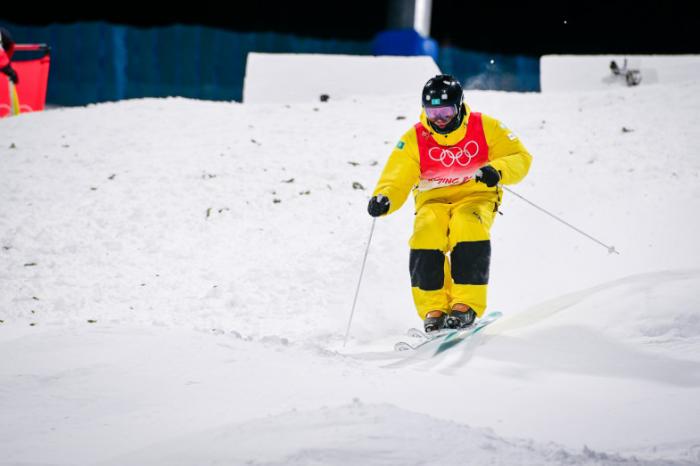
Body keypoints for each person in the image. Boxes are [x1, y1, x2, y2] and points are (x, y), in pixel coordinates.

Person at [368, 74, 532, 333]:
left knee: (467, 225)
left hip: (476, 196)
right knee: (425, 233)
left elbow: (520, 157)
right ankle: (433, 308)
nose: (440, 120)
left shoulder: (484, 126)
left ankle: (465, 305)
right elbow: (397, 175)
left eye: (446, 111)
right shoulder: (416, 137)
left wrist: (497, 170)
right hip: (433, 200)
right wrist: (385, 198)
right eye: (433, 113)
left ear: (459, 107)